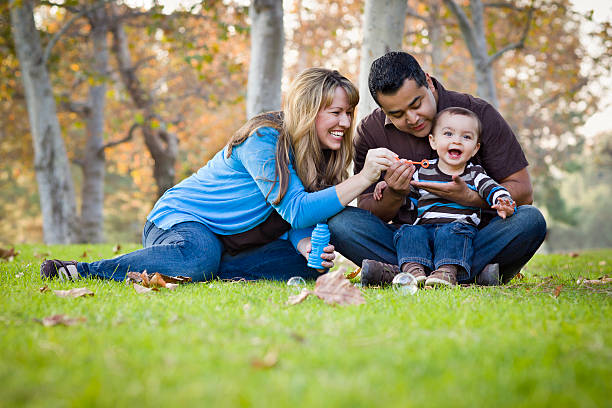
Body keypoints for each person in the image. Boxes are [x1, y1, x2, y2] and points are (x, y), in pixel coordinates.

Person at [40, 68, 398, 283]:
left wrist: (305, 245)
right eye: (335, 112)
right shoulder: (265, 137)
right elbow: (298, 209)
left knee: (308, 267)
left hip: (237, 241)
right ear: (308, 110)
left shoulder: (320, 152)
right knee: (198, 255)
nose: (345, 123)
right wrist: (365, 177)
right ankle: (84, 270)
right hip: (182, 222)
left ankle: (205, 267)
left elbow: (297, 220)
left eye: (349, 113)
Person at [327, 51, 547, 286]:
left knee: (530, 220)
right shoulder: (371, 132)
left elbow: (523, 191)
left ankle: (401, 274)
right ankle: (467, 275)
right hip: (408, 239)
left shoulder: (477, 114)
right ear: (382, 108)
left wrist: (471, 198)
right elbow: (370, 210)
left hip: (472, 238)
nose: (412, 119)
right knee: (339, 221)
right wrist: (394, 193)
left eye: (416, 104)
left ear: (429, 82)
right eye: (397, 114)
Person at [372, 107, 516, 287]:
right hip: (425, 230)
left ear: (475, 148)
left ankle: (447, 272)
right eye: (448, 134)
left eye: (466, 137)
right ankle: (414, 270)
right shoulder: (422, 171)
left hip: (457, 230)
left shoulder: (474, 173)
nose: (457, 140)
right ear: (433, 141)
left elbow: (493, 189)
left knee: (452, 232)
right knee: (409, 231)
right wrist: (389, 186)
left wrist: (504, 202)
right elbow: (408, 198)